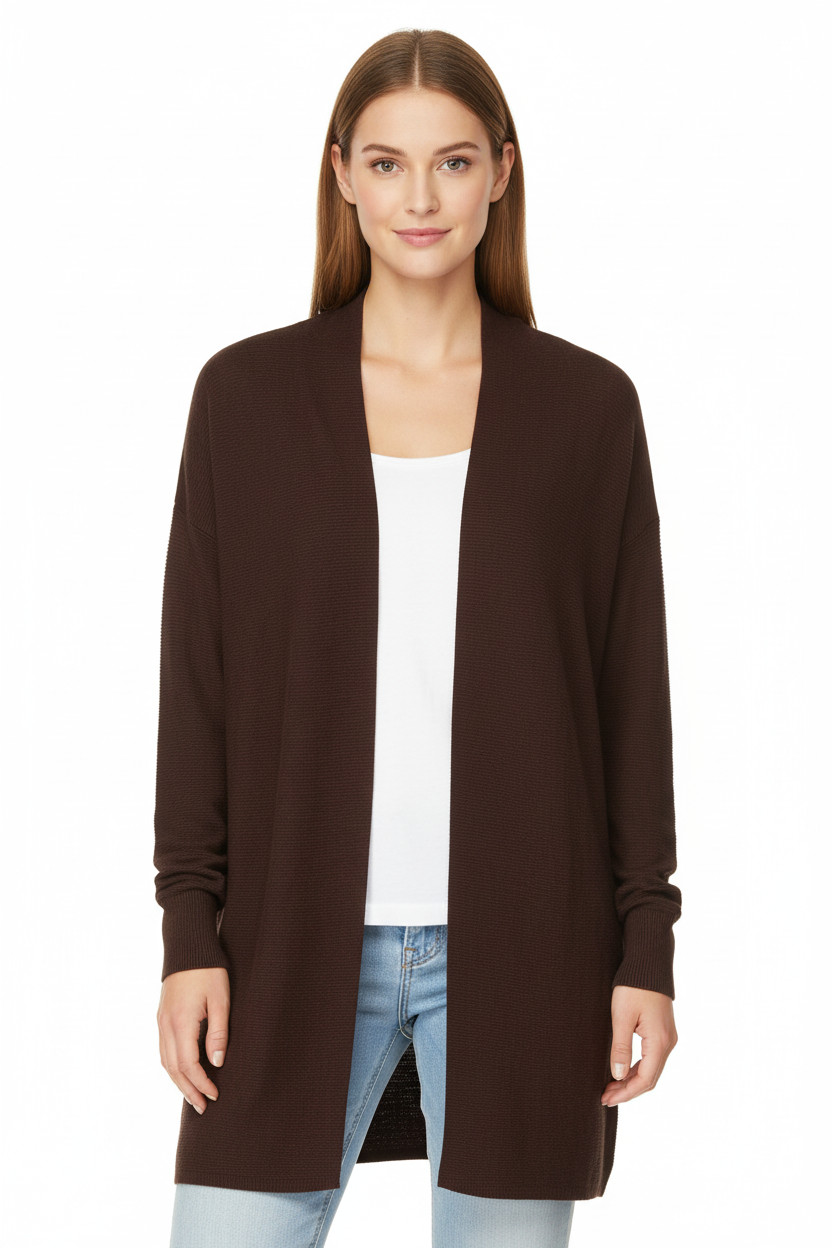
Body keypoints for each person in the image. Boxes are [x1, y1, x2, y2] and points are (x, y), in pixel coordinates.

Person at [154, 27, 681, 1248]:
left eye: (452, 162)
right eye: (387, 164)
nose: (420, 198)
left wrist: (645, 946)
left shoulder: (586, 411)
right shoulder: (246, 400)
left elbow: (628, 703)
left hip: (528, 950)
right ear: (341, 173)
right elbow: (199, 690)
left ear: (501, 170)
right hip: (286, 950)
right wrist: (189, 932)